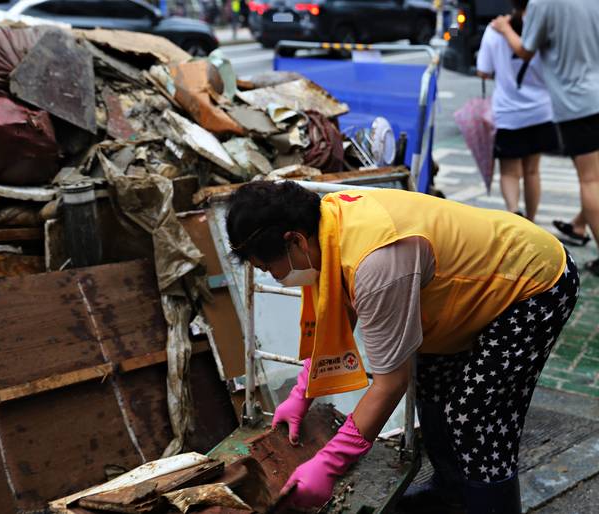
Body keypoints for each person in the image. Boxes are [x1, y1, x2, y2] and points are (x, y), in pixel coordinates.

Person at [226, 181, 579, 513]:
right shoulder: (327, 224)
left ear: (295, 242)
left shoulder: (375, 261)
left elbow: (390, 382)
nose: (273, 277)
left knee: (474, 416)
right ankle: (451, 493)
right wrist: (302, 393)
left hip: (533, 284)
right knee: (432, 387)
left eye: (268, 267)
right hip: (474, 288)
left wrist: (330, 463)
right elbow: (338, 313)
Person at [492, 0, 599, 274]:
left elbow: (525, 50)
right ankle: (578, 224)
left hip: (577, 103)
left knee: (591, 180)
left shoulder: (542, 3)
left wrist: (505, 29)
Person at [476, 0, 556, 221]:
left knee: (510, 172)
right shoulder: (544, 27)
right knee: (532, 171)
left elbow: (483, 71)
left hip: (508, 113)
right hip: (541, 110)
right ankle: (531, 221)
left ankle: (514, 214)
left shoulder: (495, 31)